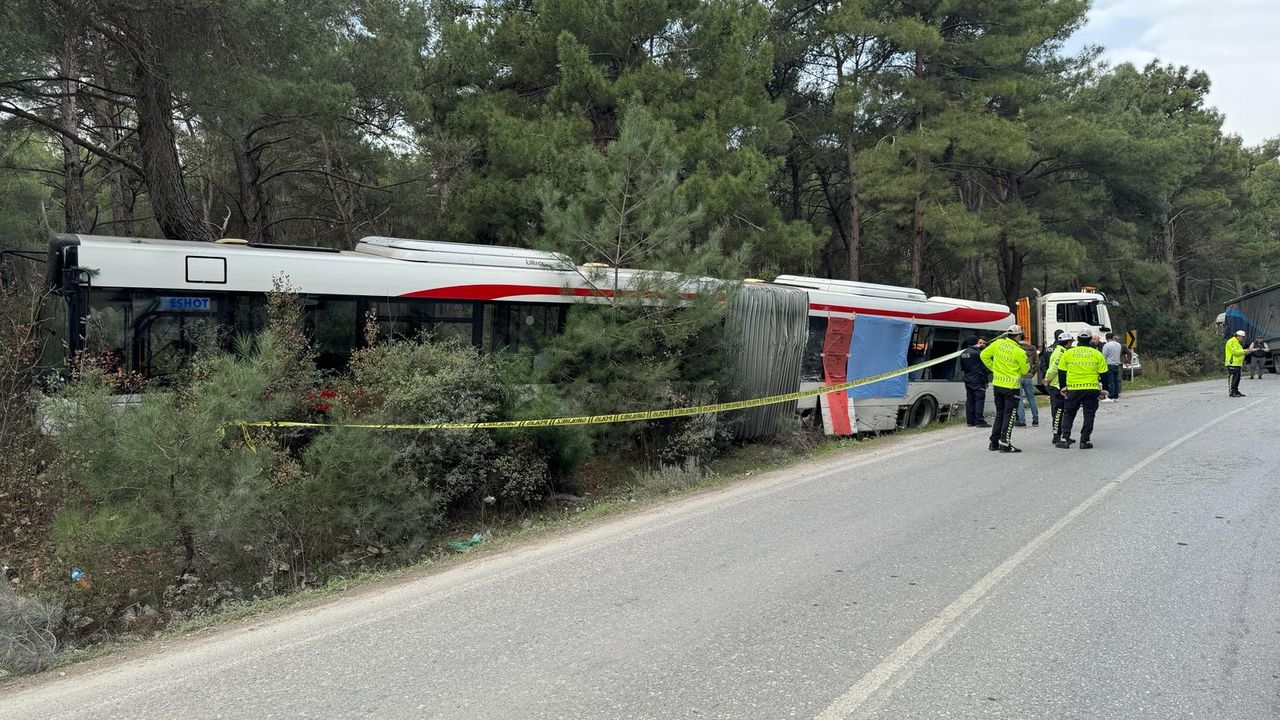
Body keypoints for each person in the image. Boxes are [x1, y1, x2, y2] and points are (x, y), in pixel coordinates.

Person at [980, 324, 1029, 453]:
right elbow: (1025, 370)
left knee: (999, 415)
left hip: (998, 385)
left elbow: (983, 355)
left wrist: (993, 368)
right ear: (1018, 336)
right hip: (1011, 387)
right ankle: (1005, 443)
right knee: (1010, 415)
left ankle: (993, 443)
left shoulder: (998, 344)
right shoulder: (1019, 351)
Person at [1056, 330, 1109, 449]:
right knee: (1089, 415)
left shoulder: (1069, 353)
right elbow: (1104, 373)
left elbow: (1061, 371)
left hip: (1073, 389)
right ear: (1090, 339)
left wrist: (1063, 386)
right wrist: (1104, 389)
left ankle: (1065, 439)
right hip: (1091, 388)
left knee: (1069, 414)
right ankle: (1084, 441)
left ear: (1078, 339)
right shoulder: (1096, 354)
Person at [1045, 333, 1074, 446]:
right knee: (1058, 412)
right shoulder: (1060, 353)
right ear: (1068, 342)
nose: (1071, 344)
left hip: (1060, 386)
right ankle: (1056, 436)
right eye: (1071, 342)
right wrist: (1047, 379)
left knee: (1062, 411)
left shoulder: (1061, 351)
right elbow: (1053, 369)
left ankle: (1062, 435)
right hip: (1056, 386)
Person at [959, 336, 991, 427]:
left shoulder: (963, 353)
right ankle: (979, 421)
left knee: (970, 400)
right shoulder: (978, 353)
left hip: (968, 379)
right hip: (978, 380)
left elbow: (962, 367)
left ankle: (970, 421)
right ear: (976, 342)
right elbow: (984, 367)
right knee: (979, 400)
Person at [1014, 337, 1040, 427]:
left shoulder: (1015, 347)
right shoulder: (1032, 349)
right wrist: (1032, 373)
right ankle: (1035, 420)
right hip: (1028, 376)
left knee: (1019, 399)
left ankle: (1021, 420)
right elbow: (1037, 364)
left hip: (1018, 376)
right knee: (1031, 398)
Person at [1101, 332, 1123, 401]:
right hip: (1117, 364)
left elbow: (1103, 356)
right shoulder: (1119, 345)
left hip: (1109, 364)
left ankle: (1111, 396)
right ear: (1113, 337)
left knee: (1110, 381)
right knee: (1116, 381)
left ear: (1106, 338)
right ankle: (1116, 396)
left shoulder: (1106, 345)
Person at [1225, 330, 1247, 397]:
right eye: (1242, 337)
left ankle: (1236, 391)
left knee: (1237, 378)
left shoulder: (1237, 342)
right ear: (1238, 336)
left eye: (1243, 337)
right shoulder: (1231, 341)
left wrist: (1245, 352)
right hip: (1232, 363)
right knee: (1233, 378)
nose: (1242, 339)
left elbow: (1239, 352)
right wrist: (1244, 351)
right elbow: (1235, 352)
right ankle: (1232, 392)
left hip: (1237, 363)